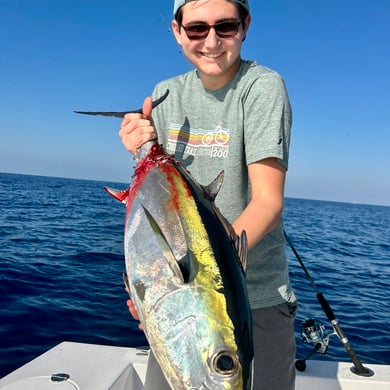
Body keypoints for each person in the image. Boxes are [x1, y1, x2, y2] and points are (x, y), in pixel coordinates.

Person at [119, 0, 297, 389]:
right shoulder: (166, 93)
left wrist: (192, 281)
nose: (211, 41)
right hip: (180, 303)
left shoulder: (260, 87)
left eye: (226, 27)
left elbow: (268, 201)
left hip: (257, 300)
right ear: (177, 31)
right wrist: (150, 283)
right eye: (197, 28)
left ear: (245, 26)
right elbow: (159, 197)